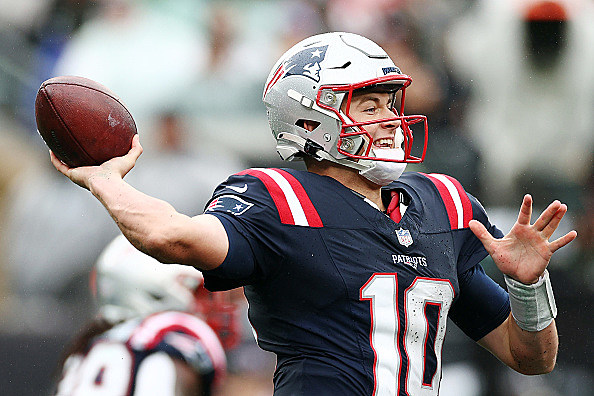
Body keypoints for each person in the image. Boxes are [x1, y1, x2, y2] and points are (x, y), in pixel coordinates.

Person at [50, 32, 577, 395]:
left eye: (391, 104)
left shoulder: (441, 205)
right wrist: (105, 180)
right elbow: (172, 237)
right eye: (369, 106)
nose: (391, 120)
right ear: (309, 116)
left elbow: (531, 358)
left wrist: (530, 288)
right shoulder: (276, 199)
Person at [53, 234, 240, 396]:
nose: (206, 307)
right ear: (155, 291)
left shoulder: (86, 349)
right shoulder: (168, 339)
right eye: (196, 293)